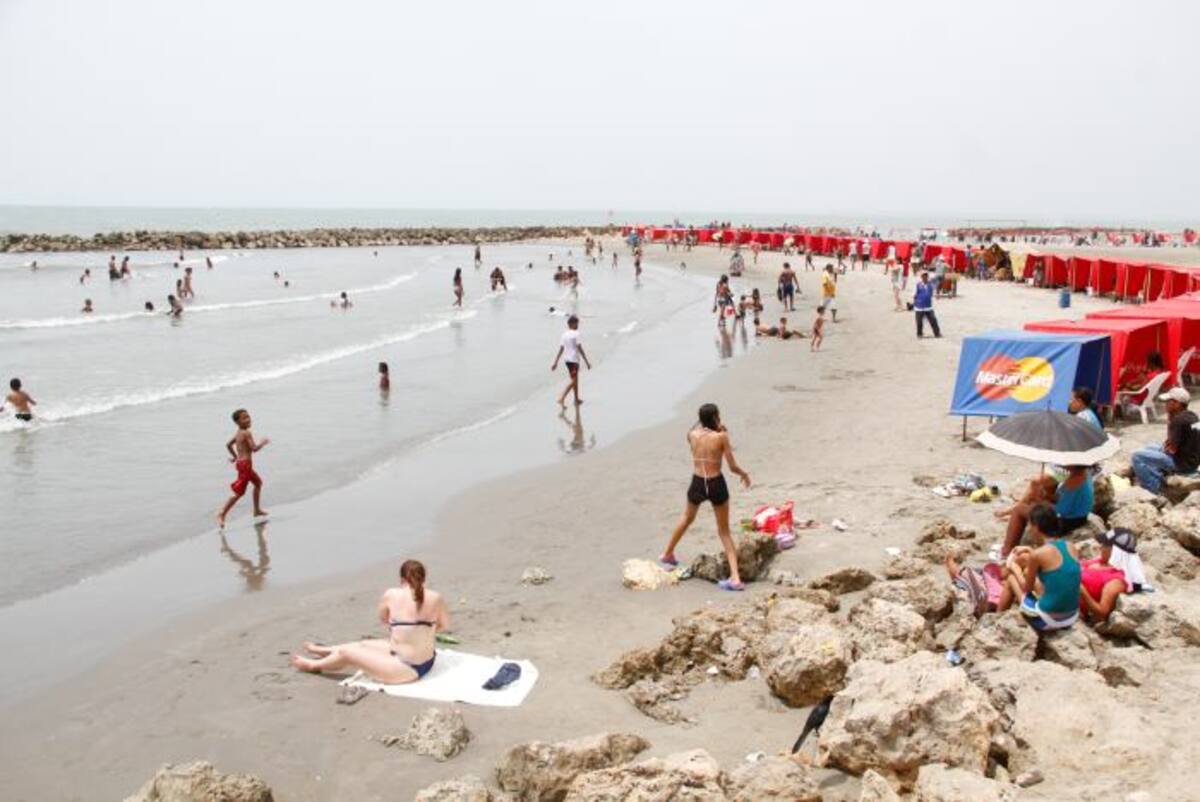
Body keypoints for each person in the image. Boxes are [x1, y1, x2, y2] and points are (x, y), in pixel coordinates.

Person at [291, 559, 449, 683]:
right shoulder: (436, 597)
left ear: (401, 579)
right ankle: (323, 650)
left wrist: (407, 628)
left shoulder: (391, 594)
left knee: (348, 653)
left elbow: (384, 619)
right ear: (423, 578)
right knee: (363, 645)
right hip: (427, 661)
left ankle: (313, 665)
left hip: (404, 669)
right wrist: (420, 631)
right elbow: (444, 626)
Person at [660, 404, 752, 591]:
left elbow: (694, 431)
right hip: (716, 483)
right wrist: (744, 474)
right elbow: (732, 467)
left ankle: (668, 553)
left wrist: (709, 424)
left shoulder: (692, 435)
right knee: (724, 532)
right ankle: (735, 578)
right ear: (716, 417)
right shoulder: (721, 437)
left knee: (687, 518)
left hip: (698, 482)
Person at [1017, 504, 1082, 631]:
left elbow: (1027, 588)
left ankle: (998, 616)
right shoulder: (1071, 547)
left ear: (1036, 527)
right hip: (1072, 617)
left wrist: (1013, 567)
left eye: (1030, 525)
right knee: (1040, 578)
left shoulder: (1037, 555)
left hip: (1047, 620)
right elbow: (1057, 571)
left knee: (1012, 578)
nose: (1029, 529)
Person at [1131, 387, 1200, 494]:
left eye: (1169, 402)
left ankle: (1154, 487)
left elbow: (1171, 449)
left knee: (1137, 456)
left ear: (1177, 404)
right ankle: (1159, 475)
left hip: (1181, 464)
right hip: (1192, 460)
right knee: (1151, 446)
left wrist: (1170, 421)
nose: (1165, 404)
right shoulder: (1192, 416)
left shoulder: (1177, 420)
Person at [217, 408, 270, 528]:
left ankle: (256, 510)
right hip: (245, 465)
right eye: (244, 418)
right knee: (239, 493)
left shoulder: (238, 432)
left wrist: (235, 457)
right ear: (237, 422)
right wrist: (263, 442)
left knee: (258, 483)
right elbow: (254, 449)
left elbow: (228, 444)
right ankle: (222, 513)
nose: (248, 419)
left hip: (242, 464)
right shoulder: (246, 433)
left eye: (248, 416)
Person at [1080, 528, 1143, 624]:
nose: (1100, 547)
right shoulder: (1100, 561)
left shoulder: (1116, 579)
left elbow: (1102, 612)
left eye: (1105, 545)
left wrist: (1081, 591)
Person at [995, 474, 1058, 557]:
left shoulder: (1038, 555)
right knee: (1025, 503)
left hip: (1057, 514)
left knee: (1019, 509)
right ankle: (1009, 512)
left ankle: (1007, 551)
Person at [551, 315, 591, 407]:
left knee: (575, 379)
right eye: (577, 323)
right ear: (571, 324)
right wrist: (587, 361)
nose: (578, 325)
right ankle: (562, 398)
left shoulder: (564, 334)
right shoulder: (576, 333)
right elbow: (580, 348)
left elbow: (561, 349)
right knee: (574, 381)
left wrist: (555, 362)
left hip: (567, 360)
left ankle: (576, 399)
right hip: (574, 360)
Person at [912, 271, 941, 338]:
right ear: (921, 277)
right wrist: (915, 303)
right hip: (919, 306)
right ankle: (919, 334)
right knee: (919, 322)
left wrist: (936, 295)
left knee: (933, 320)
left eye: (926, 276)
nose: (925, 277)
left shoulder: (930, 284)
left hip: (928, 306)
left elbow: (936, 281)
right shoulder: (918, 285)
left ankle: (937, 333)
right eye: (923, 276)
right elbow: (914, 295)